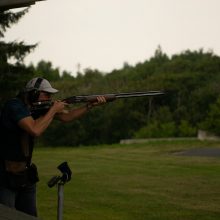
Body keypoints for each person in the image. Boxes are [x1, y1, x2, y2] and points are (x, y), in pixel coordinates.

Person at [0, 77, 106, 217]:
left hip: (25, 175)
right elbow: (35, 130)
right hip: (6, 176)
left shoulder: (36, 108)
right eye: (46, 94)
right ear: (33, 93)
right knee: (8, 216)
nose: (49, 98)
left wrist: (89, 106)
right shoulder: (14, 106)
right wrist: (54, 109)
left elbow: (67, 117)